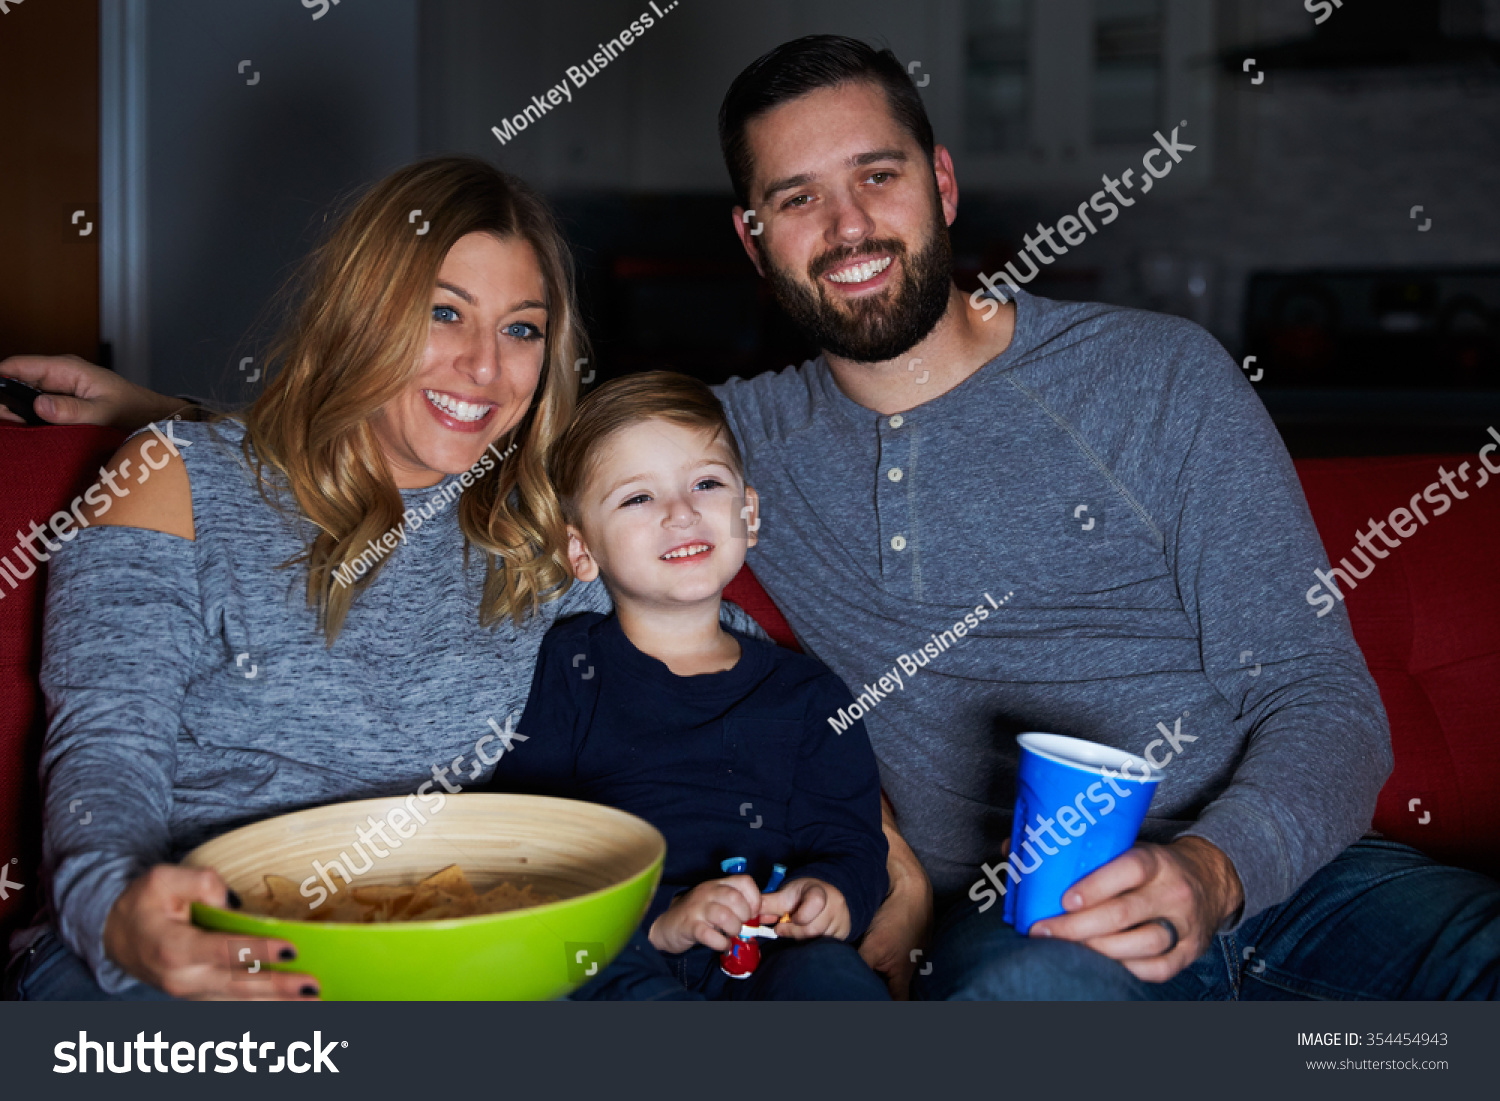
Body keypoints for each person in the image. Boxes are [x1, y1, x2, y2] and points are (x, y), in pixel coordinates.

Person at [13, 35, 1500, 1001]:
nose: (847, 225)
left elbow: (1322, 696)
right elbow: (458, 455)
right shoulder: (734, 441)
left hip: (1305, 884)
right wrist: (182, 424)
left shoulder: (1157, 376)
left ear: (941, 180)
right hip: (1038, 941)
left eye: (874, 177)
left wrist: (1214, 867)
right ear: (753, 236)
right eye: (797, 197)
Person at [1, 157, 766, 1001]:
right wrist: (119, 914)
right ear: (364, 313)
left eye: (521, 329)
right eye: (445, 314)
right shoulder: (172, 479)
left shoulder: (548, 528)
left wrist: (864, 835)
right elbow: (105, 753)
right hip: (201, 948)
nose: (485, 367)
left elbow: (739, 679)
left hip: (455, 957)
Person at [494, 370, 889, 1000]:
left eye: (706, 483)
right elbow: (529, 847)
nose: (681, 512)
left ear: (748, 514)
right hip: (623, 950)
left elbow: (850, 840)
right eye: (638, 498)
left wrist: (834, 893)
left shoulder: (810, 694)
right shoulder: (571, 666)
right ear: (581, 551)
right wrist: (659, 923)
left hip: (771, 957)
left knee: (834, 979)